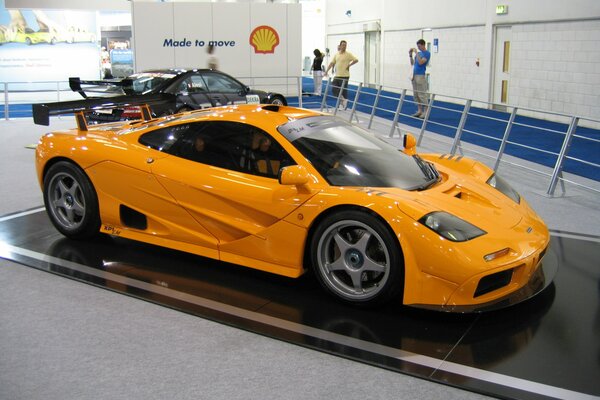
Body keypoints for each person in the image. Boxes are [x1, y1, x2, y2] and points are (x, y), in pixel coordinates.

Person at [325, 40, 358, 109]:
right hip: (337, 75)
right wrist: (326, 71)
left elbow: (356, 60)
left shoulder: (348, 54)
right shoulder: (336, 54)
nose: (344, 46)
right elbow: (332, 63)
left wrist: (349, 65)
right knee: (334, 89)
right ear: (340, 46)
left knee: (343, 91)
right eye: (343, 45)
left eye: (345, 45)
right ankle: (343, 100)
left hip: (345, 76)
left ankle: (342, 105)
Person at [409, 39, 430, 118]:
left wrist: (416, 53)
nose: (418, 48)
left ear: (423, 45)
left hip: (420, 76)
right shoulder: (419, 53)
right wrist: (410, 55)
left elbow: (421, 62)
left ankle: (426, 111)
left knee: (422, 94)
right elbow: (412, 63)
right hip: (414, 75)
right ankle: (419, 110)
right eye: (417, 46)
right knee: (416, 94)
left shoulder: (427, 53)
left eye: (419, 46)